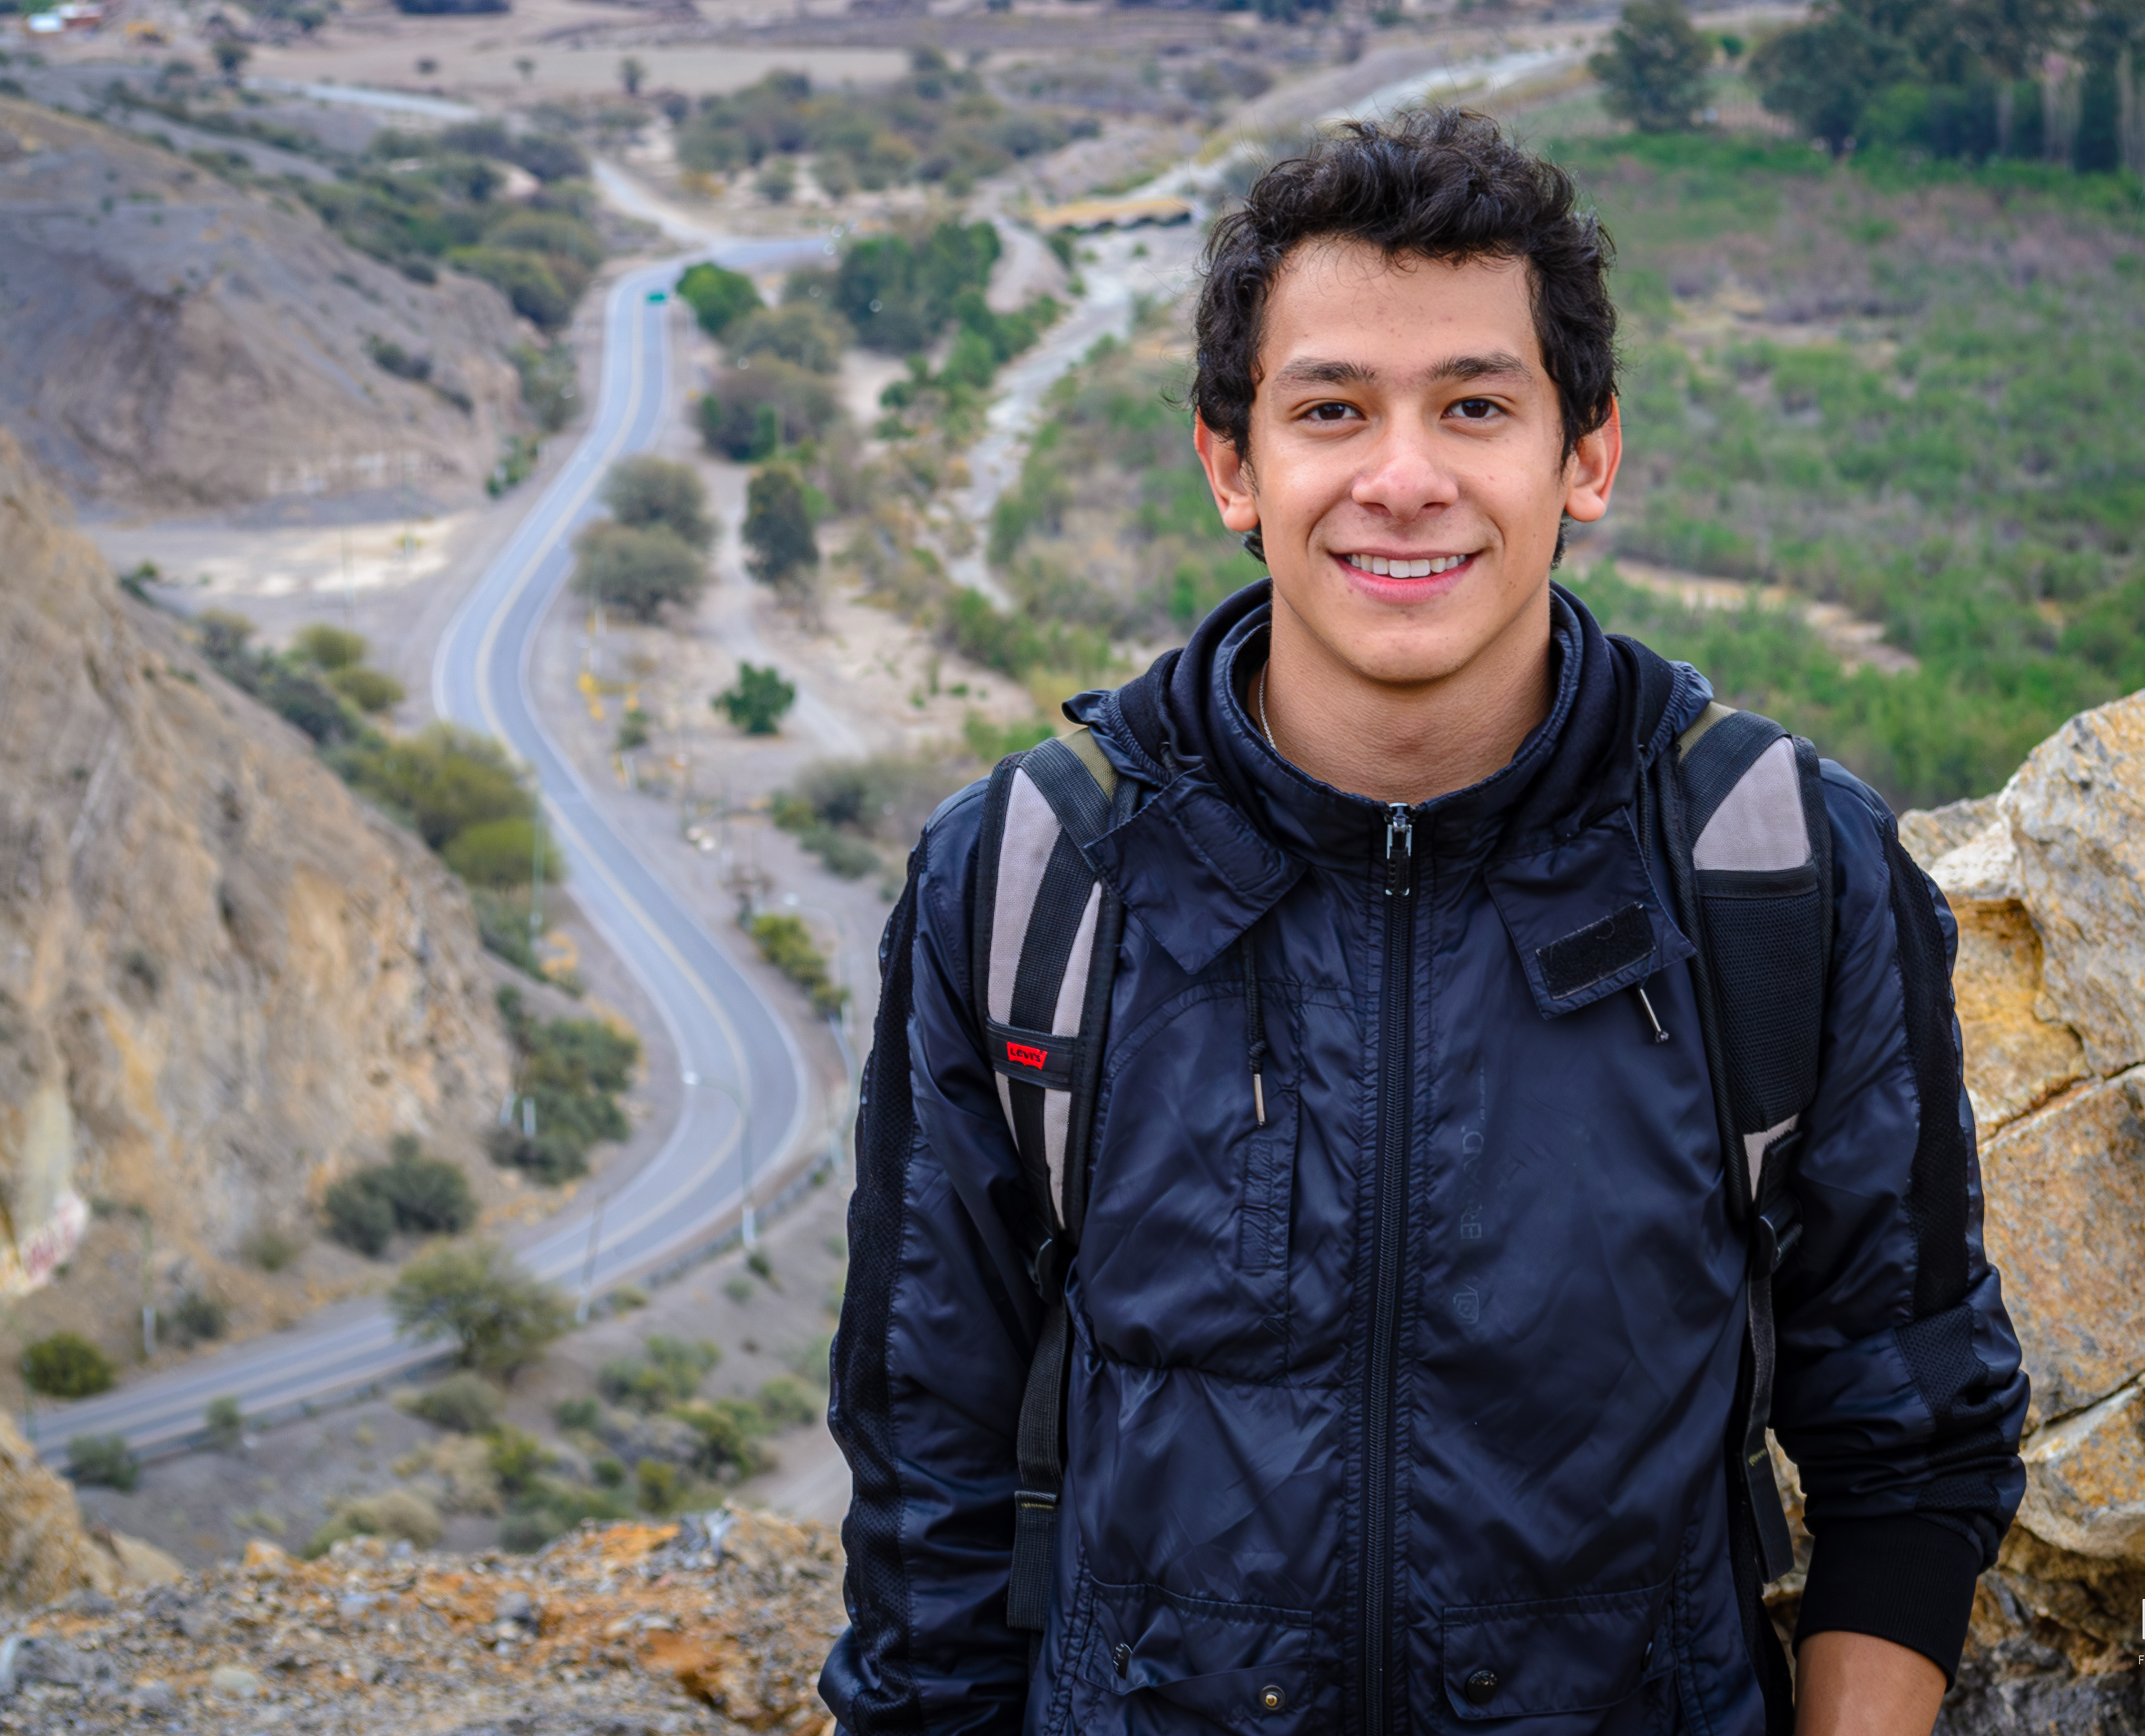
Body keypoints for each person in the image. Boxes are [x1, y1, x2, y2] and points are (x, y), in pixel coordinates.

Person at [824, 109, 2027, 1736]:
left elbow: (1916, 1436)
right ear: (1231, 465)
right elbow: (929, 1482)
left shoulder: (1772, 864)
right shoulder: (1036, 868)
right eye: (1332, 409)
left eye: (1475, 404)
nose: (1404, 478)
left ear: (1584, 453)